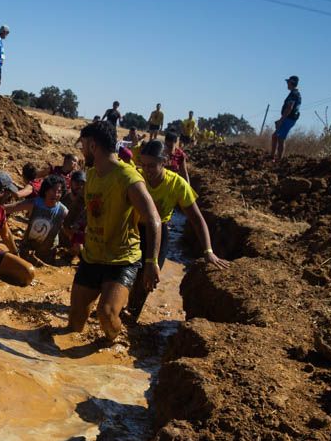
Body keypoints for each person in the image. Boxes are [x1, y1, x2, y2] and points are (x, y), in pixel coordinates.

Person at [57, 121, 161, 349]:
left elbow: (153, 218)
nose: (82, 152)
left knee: (105, 314)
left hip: (121, 259)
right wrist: (67, 222)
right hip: (93, 256)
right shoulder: (92, 174)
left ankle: (114, 341)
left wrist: (152, 261)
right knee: (74, 323)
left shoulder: (128, 178)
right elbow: (80, 202)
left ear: (93, 145)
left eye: (83, 145)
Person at [123, 139, 228, 322]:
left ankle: (131, 316)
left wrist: (208, 251)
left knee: (148, 278)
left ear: (164, 162)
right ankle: (112, 306)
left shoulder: (177, 184)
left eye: (152, 165)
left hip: (158, 233)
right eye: (144, 164)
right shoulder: (137, 177)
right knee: (123, 272)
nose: (147, 170)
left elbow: (196, 219)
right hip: (133, 229)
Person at [12, 174, 70, 264]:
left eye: (59, 191)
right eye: (53, 190)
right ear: (46, 190)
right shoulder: (35, 203)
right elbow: (11, 208)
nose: (56, 194)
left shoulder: (63, 211)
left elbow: (70, 230)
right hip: (27, 248)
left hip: (47, 254)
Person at [271, 75, 301, 159]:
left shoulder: (294, 94)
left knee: (280, 138)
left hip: (288, 119)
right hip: (289, 118)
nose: (287, 84)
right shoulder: (294, 93)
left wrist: (281, 120)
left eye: (288, 82)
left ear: (292, 83)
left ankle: (278, 159)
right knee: (275, 136)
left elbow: (289, 108)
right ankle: (272, 157)